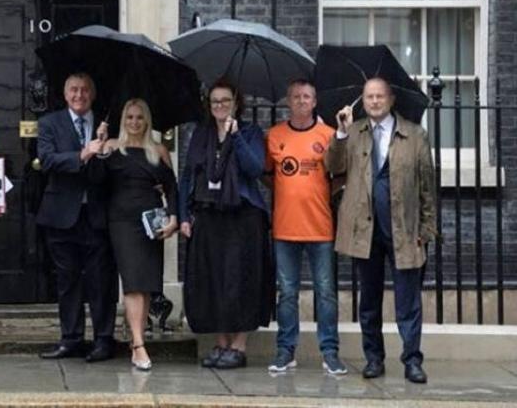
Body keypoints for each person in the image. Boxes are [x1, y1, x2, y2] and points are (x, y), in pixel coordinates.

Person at [326, 77, 436, 384]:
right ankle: (374, 358)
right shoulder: (355, 132)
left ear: (391, 100)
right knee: (369, 300)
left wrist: (427, 229)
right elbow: (332, 166)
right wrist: (341, 132)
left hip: (404, 228)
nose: (374, 101)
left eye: (379, 96)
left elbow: (427, 186)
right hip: (365, 229)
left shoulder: (415, 135)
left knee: (408, 302)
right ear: (362, 100)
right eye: (369, 96)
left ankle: (412, 360)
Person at [179, 78, 272, 370]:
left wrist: (236, 137)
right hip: (208, 215)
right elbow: (187, 177)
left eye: (225, 101)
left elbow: (256, 168)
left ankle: (239, 346)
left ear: (236, 104)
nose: (219, 106)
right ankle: (221, 343)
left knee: (241, 280)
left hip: (243, 217)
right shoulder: (201, 134)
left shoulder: (250, 131)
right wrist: (182, 215)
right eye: (215, 101)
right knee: (213, 281)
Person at [89, 99, 178, 371]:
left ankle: (135, 339)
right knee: (133, 283)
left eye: (140, 118)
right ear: (123, 120)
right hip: (122, 221)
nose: (135, 123)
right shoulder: (113, 147)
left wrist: (174, 218)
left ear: (147, 121)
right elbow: (94, 180)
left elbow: (172, 188)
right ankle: (139, 345)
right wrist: (99, 146)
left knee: (147, 283)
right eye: (130, 117)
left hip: (151, 222)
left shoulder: (158, 150)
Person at [264, 79, 345, 375]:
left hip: (320, 227)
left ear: (314, 102)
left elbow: (341, 173)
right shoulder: (274, 135)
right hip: (285, 228)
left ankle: (330, 352)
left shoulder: (328, 135)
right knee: (286, 293)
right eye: (296, 96)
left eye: (306, 96)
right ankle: (286, 350)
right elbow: (267, 175)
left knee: (326, 292)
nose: (301, 101)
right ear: (288, 100)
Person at [35, 72, 118, 363]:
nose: (79, 95)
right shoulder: (49, 123)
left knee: (100, 281)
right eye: (73, 90)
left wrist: (106, 150)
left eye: (84, 90)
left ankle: (103, 339)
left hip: (97, 214)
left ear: (92, 94)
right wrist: (83, 154)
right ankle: (70, 339)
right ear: (65, 93)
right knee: (67, 280)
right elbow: (47, 160)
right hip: (61, 215)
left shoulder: (108, 125)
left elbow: (118, 168)